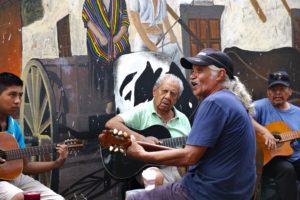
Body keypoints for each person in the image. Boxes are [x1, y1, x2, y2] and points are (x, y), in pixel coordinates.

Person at [125, 48, 256, 200]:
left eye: (199, 71)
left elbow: (190, 156)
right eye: (192, 71)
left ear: (220, 74)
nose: (192, 77)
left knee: (134, 198)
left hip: (206, 192)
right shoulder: (231, 101)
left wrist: (142, 154)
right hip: (233, 192)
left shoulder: (215, 102)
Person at [105, 73, 191, 187]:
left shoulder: (183, 119)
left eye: (173, 94)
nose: (167, 97)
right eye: (164, 91)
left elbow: (190, 149)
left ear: (176, 99)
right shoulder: (142, 110)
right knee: (155, 177)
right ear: (154, 91)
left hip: (177, 166)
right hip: (150, 166)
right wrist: (143, 139)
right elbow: (112, 123)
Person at [0, 72, 68, 200]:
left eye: (20, 95)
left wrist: (56, 163)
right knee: (20, 197)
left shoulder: (14, 127)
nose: (17, 101)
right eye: (12, 95)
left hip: (15, 178)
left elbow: (25, 166)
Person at [253, 70, 300, 200]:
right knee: (287, 169)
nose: (277, 93)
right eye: (273, 89)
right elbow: (242, 115)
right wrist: (264, 131)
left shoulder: (298, 113)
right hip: (269, 158)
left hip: (294, 156)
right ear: (268, 92)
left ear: (289, 91)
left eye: (281, 89)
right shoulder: (260, 106)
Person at [82, 0, 130, 114]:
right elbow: (87, 20)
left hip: (117, 38)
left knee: (122, 56)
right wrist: (100, 37)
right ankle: (109, 101)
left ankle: (124, 96)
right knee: (105, 60)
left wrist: (117, 38)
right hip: (98, 40)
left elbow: (125, 22)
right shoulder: (91, 1)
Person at [128, 0, 185, 74]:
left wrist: (171, 34)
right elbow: (135, 18)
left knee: (177, 52)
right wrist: (149, 44)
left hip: (160, 37)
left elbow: (164, 17)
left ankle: (181, 82)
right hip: (144, 40)